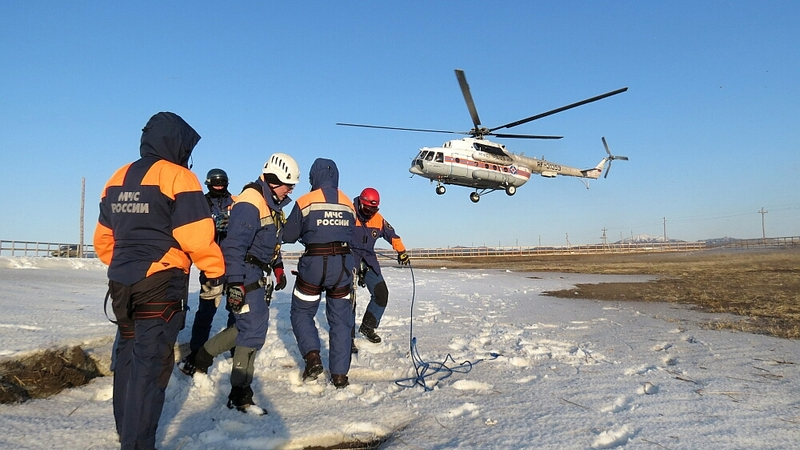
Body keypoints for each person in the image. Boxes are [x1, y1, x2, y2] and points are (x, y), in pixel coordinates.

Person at [94, 112, 225, 449]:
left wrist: (127, 263)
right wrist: (214, 272)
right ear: (178, 144)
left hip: (121, 283)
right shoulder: (179, 177)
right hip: (160, 282)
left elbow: (103, 241)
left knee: (127, 356)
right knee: (149, 366)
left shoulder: (117, 178)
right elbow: (195, 237)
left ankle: (126, 432)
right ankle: (136, 444)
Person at [179, 153, 298, 414]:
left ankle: (199, 360)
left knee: (244, 328)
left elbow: (270, 242)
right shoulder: (251, 201)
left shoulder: (270, 203)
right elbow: (234, 245)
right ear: (273, 179)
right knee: (252, 333)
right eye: (289, 184)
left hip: (256, 273)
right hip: (244, 274)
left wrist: (277, 268)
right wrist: (235, 284)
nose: (291, 190)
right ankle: (240, 394)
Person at [282, 158, 355, 388]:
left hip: (314, 266)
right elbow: (351, 233)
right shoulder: (348, 203)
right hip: (343, 266)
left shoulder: (305, 202)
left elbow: (289, 235)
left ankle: (313, 358)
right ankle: (340, 376)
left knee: (302, 312)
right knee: (341, 322)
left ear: (314, 177)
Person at [180, 168, 236, 371]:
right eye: (215, 183)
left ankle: (234, 349)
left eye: (222, 183)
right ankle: (196, 350)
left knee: (235, 309)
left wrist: (233, 224)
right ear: (208, 184)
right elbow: (193, 231)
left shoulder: (235, 203)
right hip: (210, 266)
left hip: (232, 264)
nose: (219, 187)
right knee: (206, 311)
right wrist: (212, 225)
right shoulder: (200, 204)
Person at [350, 187, 410, 352]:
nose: (370, 213)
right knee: (349, 300)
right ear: (361, 204)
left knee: (381, 294)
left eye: (374, 209)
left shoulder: (378, 219)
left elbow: (393, 235)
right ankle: (347, 338)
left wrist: (402, 252)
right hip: (349, 259)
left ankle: (368, 327)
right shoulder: (348, 213)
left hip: (368, 260)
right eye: (368, 209)